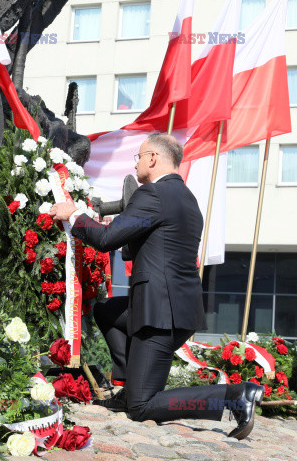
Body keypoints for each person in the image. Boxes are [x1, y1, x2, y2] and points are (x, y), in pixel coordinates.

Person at [50, 133, 264, 440]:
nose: (136, 164)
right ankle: (127, 386)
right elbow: (141, 242)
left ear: (153, 158)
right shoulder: (186, 199)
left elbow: (107, 240)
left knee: (142, 407)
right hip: (174, 309)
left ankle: (233, 396)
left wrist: (76, 215)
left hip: (160, 315)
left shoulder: (152, 194)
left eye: (138, 157)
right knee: (108, 311)